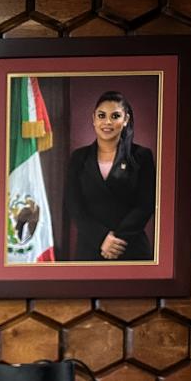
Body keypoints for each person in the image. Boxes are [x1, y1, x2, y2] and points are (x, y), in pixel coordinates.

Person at [65, 90, 157, 262]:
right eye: (102, 115)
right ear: (93, 119)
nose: (107, 122)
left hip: (131, 248)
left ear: (126, 120)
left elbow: (146, 205)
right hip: (90, 248)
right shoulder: (79, 157)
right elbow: (73, 204)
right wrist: (101, 239)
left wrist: (115, 241)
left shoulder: (142, 156)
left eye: (115, 116)